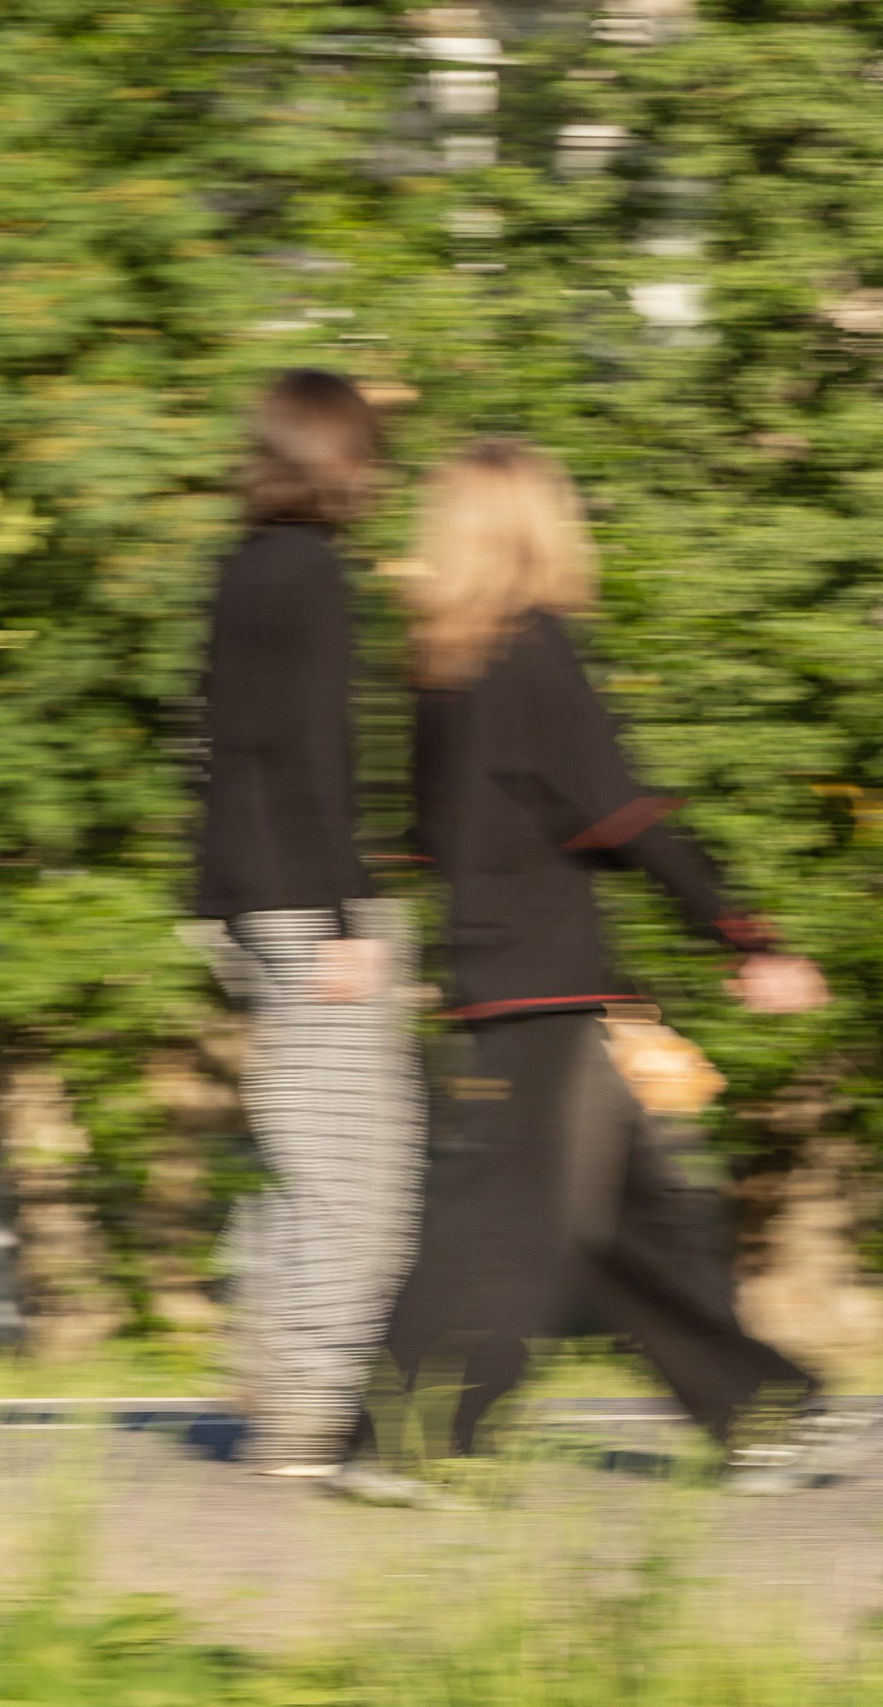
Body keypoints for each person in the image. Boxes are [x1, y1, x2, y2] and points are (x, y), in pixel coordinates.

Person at [341, 438, 854, 1503]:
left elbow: (426, 835)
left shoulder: (439, 667)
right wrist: (744, 935)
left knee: (634, 1223)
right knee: (509, 1223)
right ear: (541, 528)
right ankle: (406, 1442)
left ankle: (767, 1421)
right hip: (547, 983)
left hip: (503, 975)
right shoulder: (533, 651)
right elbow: (625, 814)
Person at [191, 369, 426, 1474]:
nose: (380, 474)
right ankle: (317, 1401)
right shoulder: (316, 575)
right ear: (339, 464)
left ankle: (274, 1363)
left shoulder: (241, 566)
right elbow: (311, 753)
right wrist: (346, 915)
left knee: (307, 1148)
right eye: (369, 453)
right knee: (359, 1167)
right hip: (305, 901)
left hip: (238, 896)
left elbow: (233, 747)